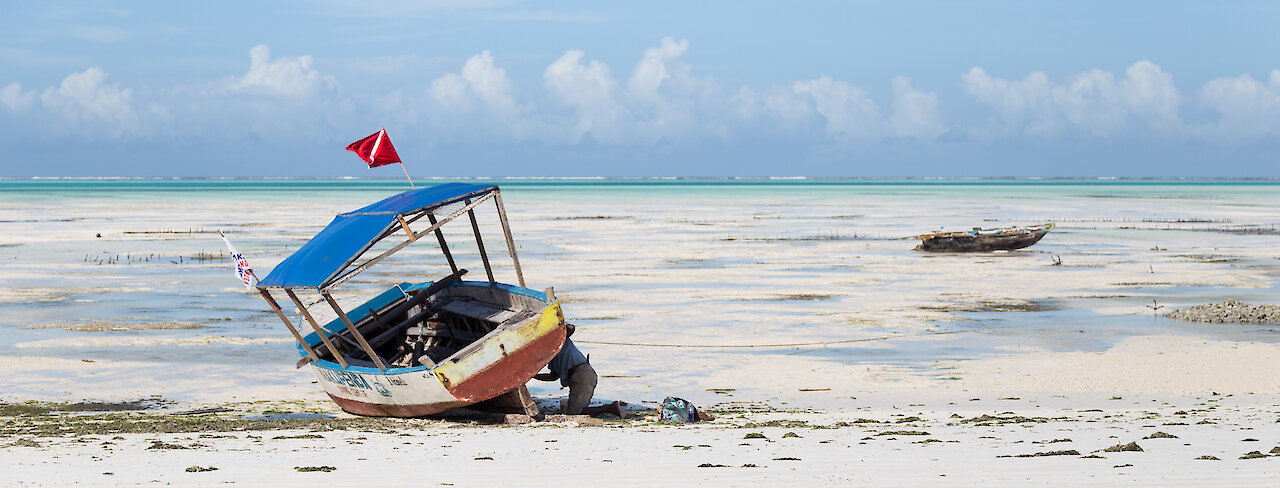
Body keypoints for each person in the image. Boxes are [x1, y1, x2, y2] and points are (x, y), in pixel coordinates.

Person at [534, 324, 626, 418]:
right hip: (581, 376)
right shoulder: (552, 357)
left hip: (583, 374)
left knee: (575, 413)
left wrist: (556, 332)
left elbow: (571, 327)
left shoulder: (558, 340)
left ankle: (611, 408)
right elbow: (553, 376)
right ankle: (609, 408)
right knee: (575, 410)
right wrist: (532, 376)